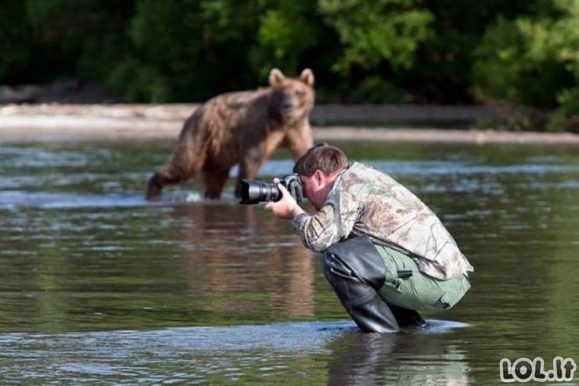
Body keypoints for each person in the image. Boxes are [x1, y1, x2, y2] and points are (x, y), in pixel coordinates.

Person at [265, 143, 473, 333]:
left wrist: (293, 211)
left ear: (319, 177)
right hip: (444, 276)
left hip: (439, 278)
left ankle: (382, 337)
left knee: (337, 258)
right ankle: (409, 330)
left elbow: (317, 238)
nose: (305, 195)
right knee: (352, 252)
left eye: (303, 185)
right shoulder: (359, 175)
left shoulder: (348, 186)